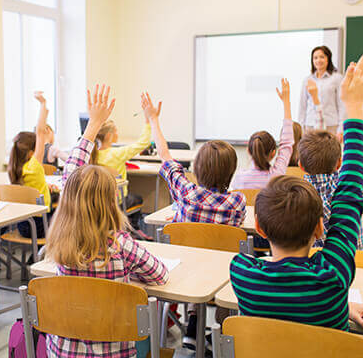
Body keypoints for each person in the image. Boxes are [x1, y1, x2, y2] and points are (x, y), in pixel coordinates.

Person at [230, 51, 363, 334]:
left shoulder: (242, 273)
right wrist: (355, 106)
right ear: (322, 227)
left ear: (258, 226)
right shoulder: (334, 277)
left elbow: (289, 312)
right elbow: (348, 195)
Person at [45, 84, 168, 358]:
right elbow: (159, 275)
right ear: (112, 202)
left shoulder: (59, 243)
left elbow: (71, 175)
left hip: (61, 352)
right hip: (111, 353)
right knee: (148, 328)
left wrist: (93, 125)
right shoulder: (120, 245)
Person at [145, 91, 246, 350]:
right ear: (231, 172)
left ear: (197, 168)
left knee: (194, 256)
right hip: (223, 277)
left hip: (185, 273)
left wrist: (154, 120)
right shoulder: (237, 203)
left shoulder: (186, 192)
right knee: (221, 264)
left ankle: (192, 324)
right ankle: (221, 331)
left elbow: (165, 155)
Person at [298, 61, 363, 249]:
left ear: (300, 164)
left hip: (308, 274)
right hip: (351, 272)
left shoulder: (292, 196)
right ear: (340, 162)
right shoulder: (348, 185)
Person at [90, 95, 152, 226]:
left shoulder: (92, 155)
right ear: (109, 135)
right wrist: (147, 120)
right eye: (116, 131)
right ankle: (133, 226)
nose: (118, 134)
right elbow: (143, 143)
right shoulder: (117, 153)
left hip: (99, 201)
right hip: (117, 201)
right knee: (138, 198)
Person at [8, 92, 57, 238]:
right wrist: (42, 104)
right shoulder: (34, 167)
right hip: (41, 226)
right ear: (31, 152)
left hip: (23, 225)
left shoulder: (14, 169)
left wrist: (45, 188)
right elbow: (41, 133)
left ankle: (38, 254)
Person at [230, 78, 294, 190]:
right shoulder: (276, 176)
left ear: (248, 151)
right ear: (273, 153)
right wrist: (286, 102)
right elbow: (287, 143)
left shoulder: (240, 178)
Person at [298, 46, 343, 134]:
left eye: (322, 57)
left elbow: (341, 105)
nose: (318, 60)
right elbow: (302, 106)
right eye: (315, 58)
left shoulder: (337, 78)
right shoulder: (307, 80)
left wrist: (341, 129)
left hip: (331, 125)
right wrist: (301, 127)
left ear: (328, 59)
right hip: (310, 125)